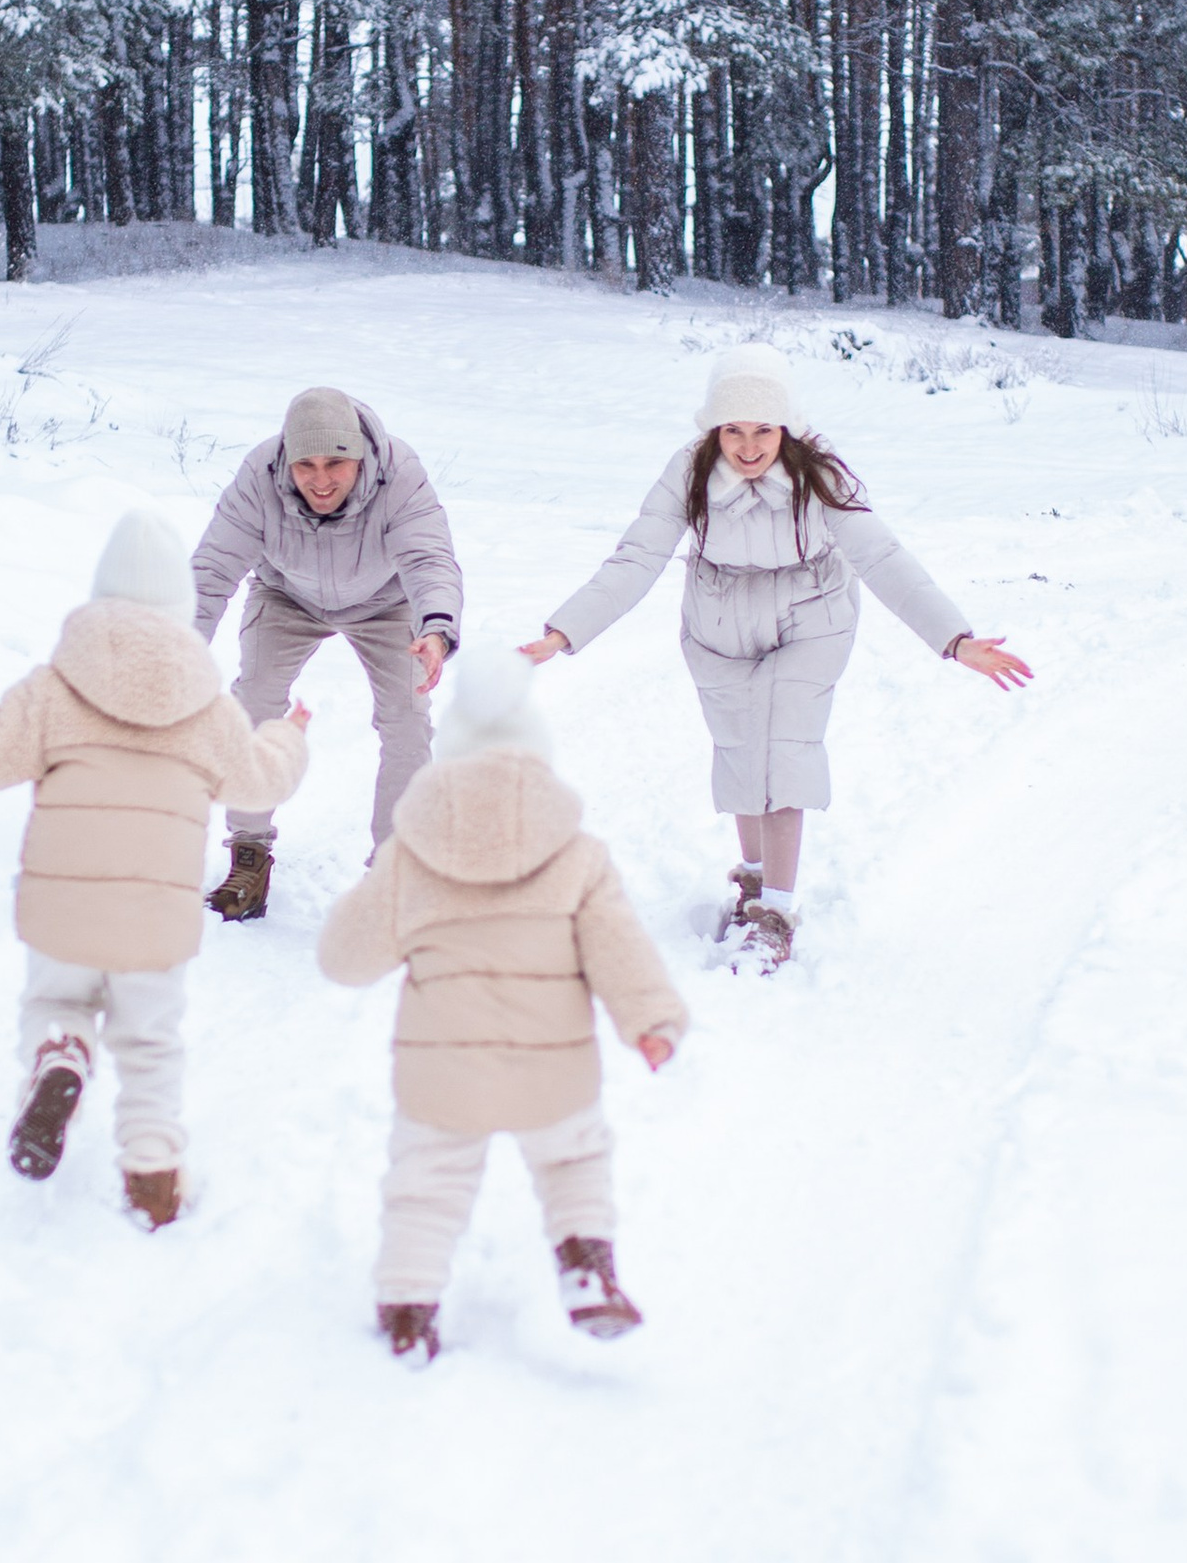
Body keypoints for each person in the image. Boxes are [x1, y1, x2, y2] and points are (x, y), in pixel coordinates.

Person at [0, 510, 309, 1216]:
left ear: (102, 596)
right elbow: (261, 782)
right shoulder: (209, 710)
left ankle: (61, 1053)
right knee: (150, 1044)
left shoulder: (55, 688)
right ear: (181, 609)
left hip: (63, 912)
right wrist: (287, 734)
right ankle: (153, 1175)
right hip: (155, 922)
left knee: (56, 1002)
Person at [522, 339, 1031, 968]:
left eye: (763, 428)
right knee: (740, 753)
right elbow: (637, 555)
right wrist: (562, 634)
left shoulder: (819, 470)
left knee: (785, 751)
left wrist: (953, 639)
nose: (748, 445)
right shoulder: (689, 471)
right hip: (718, 621)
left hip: (812, 614)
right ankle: (755, 882)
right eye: (732, 429)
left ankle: (776, 915)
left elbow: (882, 555)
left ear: (785, 424)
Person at [318, 646, 687, 1362]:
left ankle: (407, 1307)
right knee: (572, 1159)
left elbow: (345, 959)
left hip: (443, 1074)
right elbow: (620, 948)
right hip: (550, 1070)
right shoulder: (578, 854)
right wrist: (651, 1021)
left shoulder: (409, 853)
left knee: (426, 1183)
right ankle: (585, 1265)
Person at [191, 383, 463, 919]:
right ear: (286, 461)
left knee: (406, 721)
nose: (320, 480)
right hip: (286, 593)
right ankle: (250, 852)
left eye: (336, 463)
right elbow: (211, 571)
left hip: (387, 603)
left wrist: (435, 627)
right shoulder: (259, 477)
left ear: (359, 457)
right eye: (305, 465)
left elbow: (431, 559)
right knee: (255, 703)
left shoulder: (398, 474)